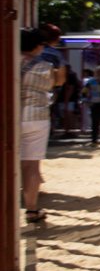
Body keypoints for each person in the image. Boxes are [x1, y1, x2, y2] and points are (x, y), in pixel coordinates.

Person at [20, 27, 54, 224]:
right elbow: (50, 85)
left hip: (11, 115)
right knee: (31, 165)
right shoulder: (44, 66)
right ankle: (32, 209)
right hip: (36, 116)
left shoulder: (8, 60)